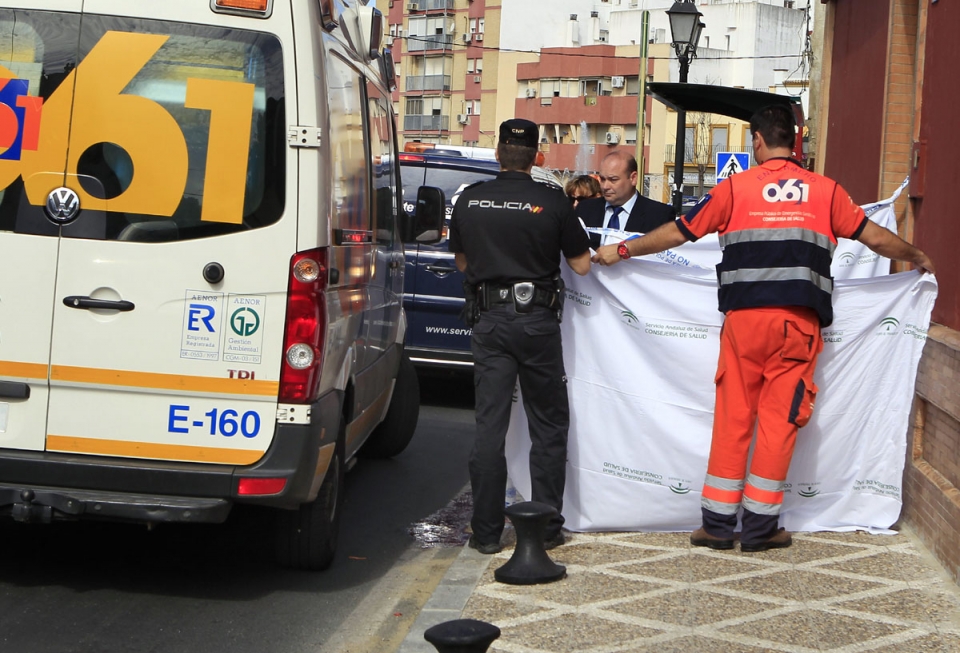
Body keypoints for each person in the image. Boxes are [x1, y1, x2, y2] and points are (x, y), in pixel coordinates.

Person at [592, 105, 935, 553]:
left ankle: (716, 526)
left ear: (757, 141)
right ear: (794, 141)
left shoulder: (734, 188)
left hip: (743, 325)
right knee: (779, 423)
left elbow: (680, 232)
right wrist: (918, 255)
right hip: (797, 326)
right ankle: (759, 529)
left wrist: (622, 251)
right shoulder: (825, 190)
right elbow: (873, 237)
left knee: (734, 418)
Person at [449, 118, 592, 554]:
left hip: (490, 321)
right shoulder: (553, 202)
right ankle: (544, 529)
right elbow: (582, 265)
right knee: (547, 425)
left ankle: (487, 533)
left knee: (489, 427)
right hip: (537, 323)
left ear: (497, 154)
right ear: (536, 156)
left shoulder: (470, 200)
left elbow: (461, 263)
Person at [577, 150, 675, 249]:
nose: (605, 186)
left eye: (613, 180)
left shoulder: (659, 215)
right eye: (602, 179)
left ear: (633, 178)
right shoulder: (585, 209)